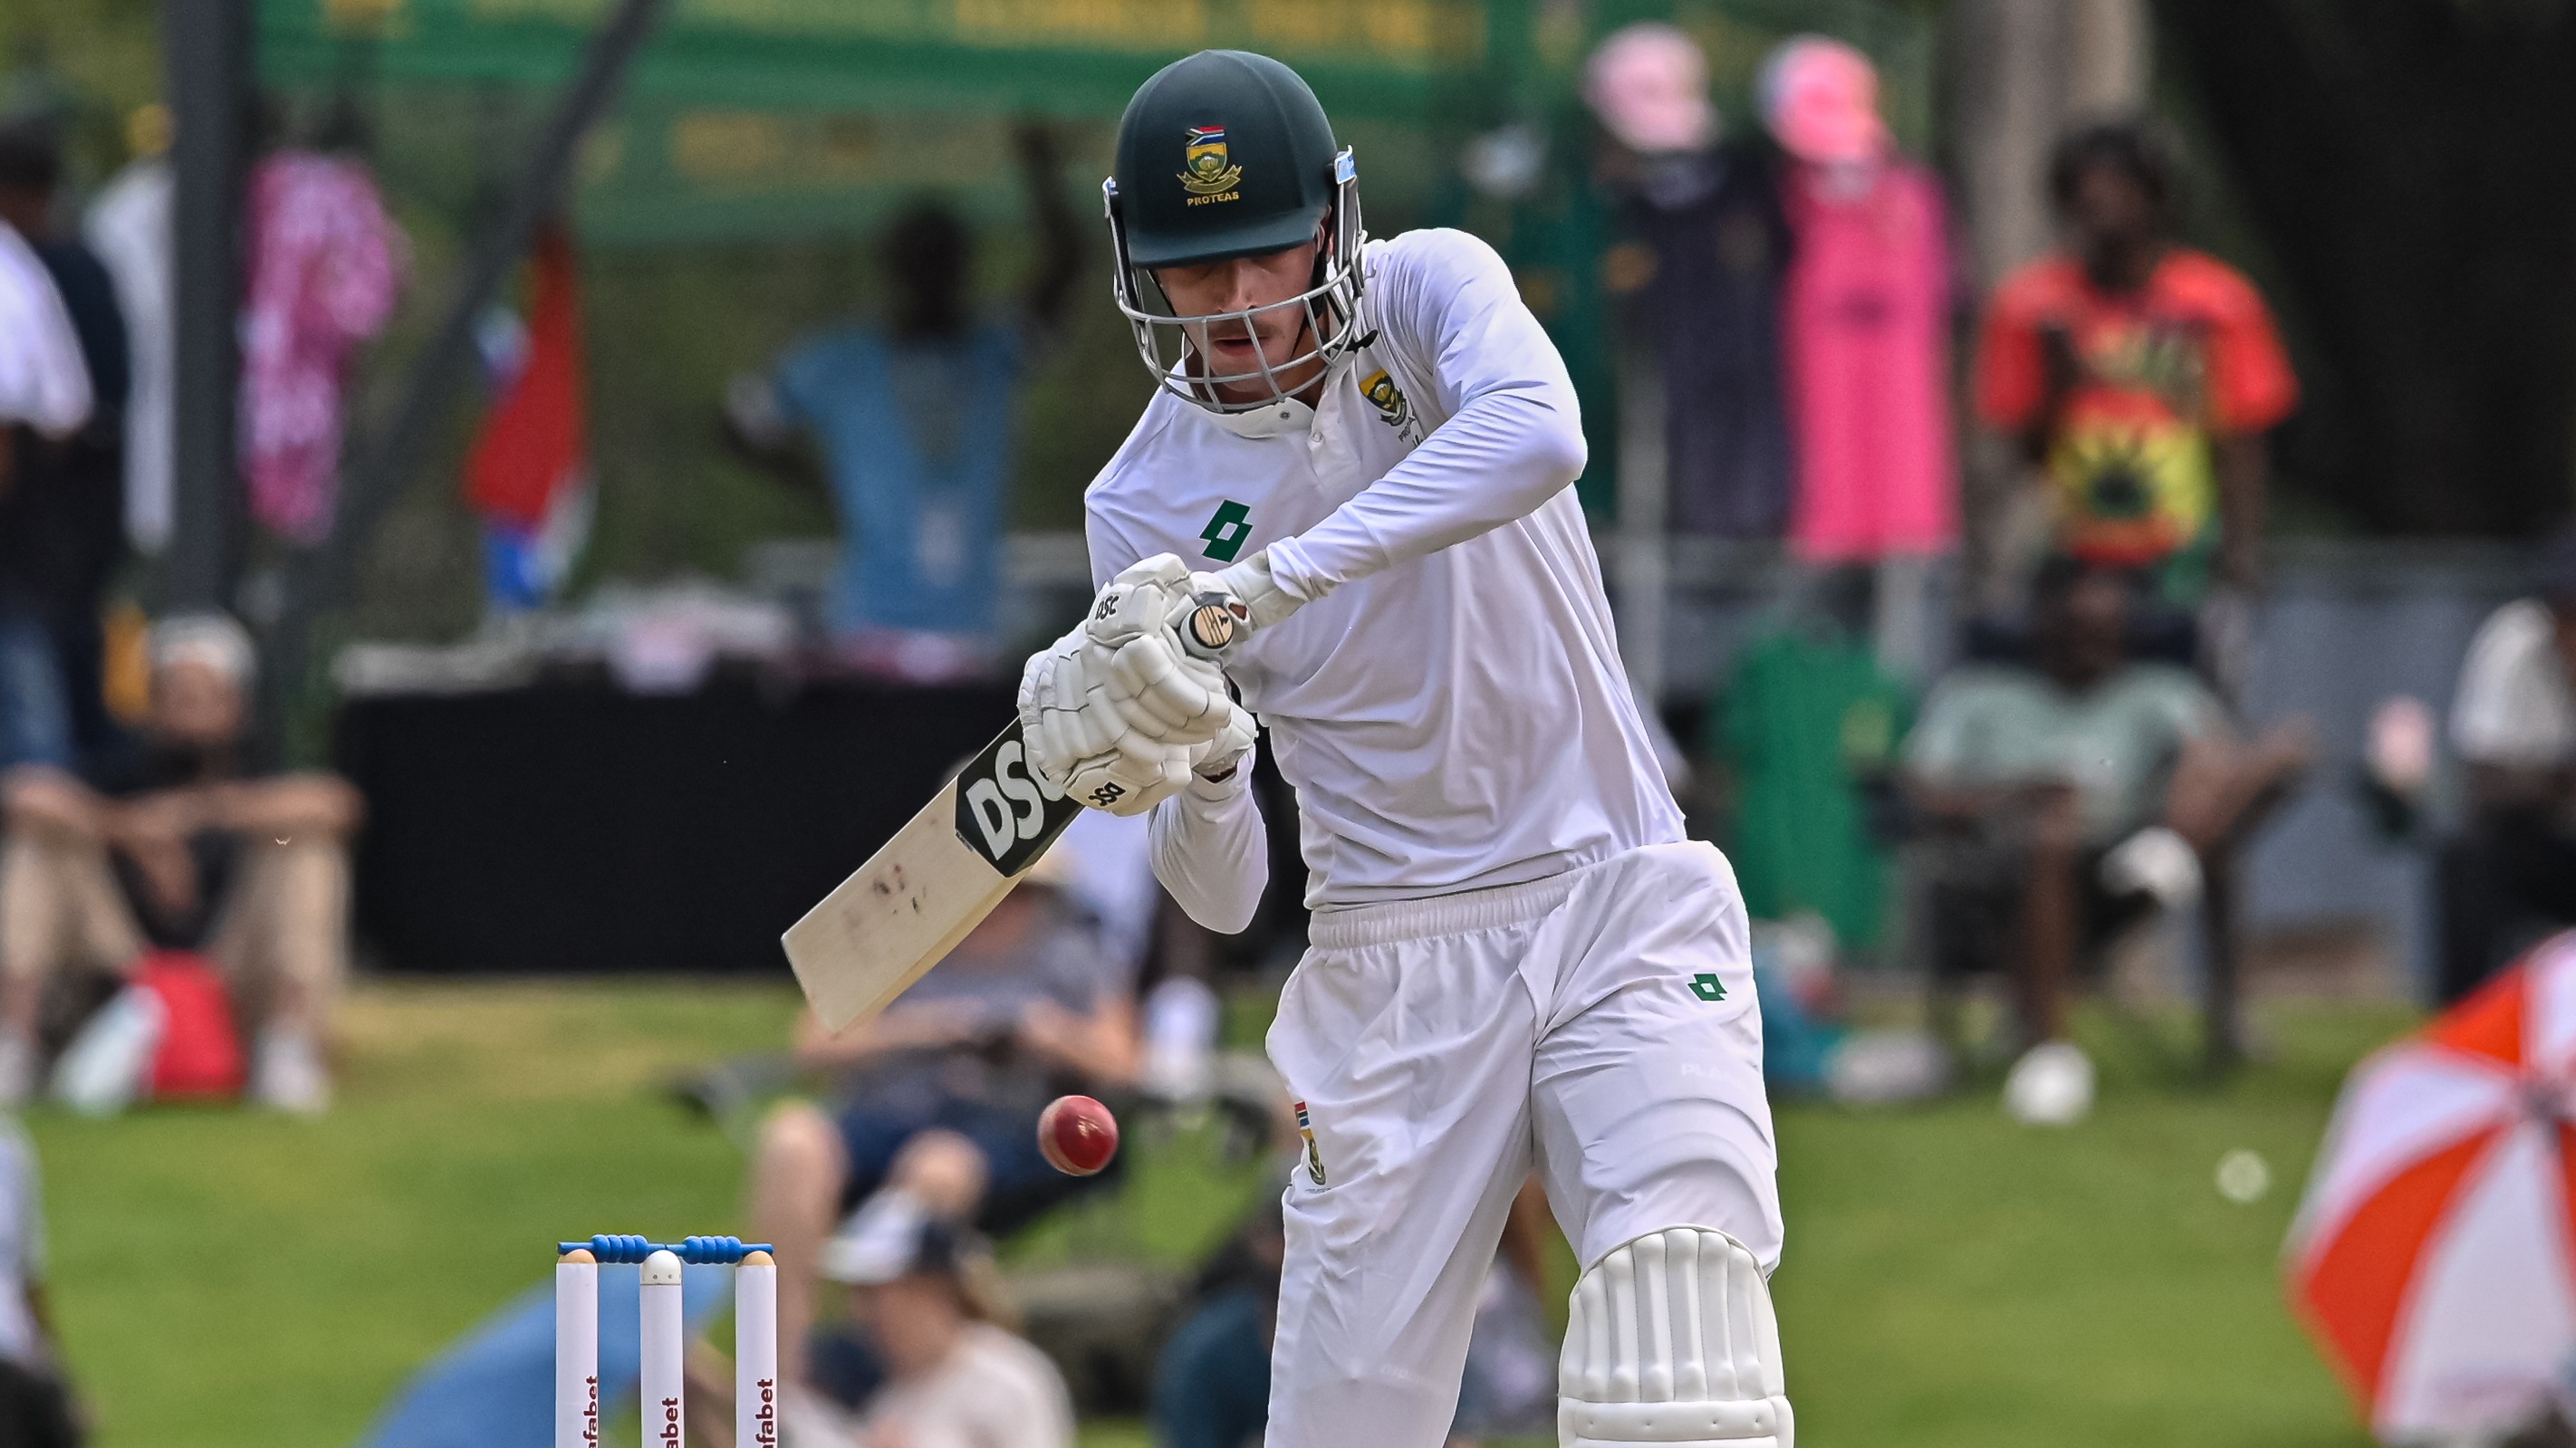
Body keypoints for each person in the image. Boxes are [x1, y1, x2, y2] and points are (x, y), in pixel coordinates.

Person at [1016, 49, 1785, 1447]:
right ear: (1141, 265)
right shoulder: (1141, 504)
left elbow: (1540, 435)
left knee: (1685, 1352)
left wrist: (1275, 580)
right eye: (1196, 273)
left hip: (1614, 886)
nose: (1239, 306)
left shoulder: (1430, 291)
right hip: (1388, 970)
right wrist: (1201, 754)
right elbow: (1223, 897)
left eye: (1266, 256)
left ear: (1333, 222)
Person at [747, 848, 1139, 1414]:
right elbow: (812, 1044)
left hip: (1006, 1127)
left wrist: (1042, 1034)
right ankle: (780, 1383)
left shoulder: (1074, 947)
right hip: (889, 1111)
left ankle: (891, 1379)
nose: (998, 906)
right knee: (791, 1142)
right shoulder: (899, 933)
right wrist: (929, 1030)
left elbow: (1124, 1062)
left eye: (1016, 892)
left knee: (937, 1168)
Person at [1902, 559, 2310, 1095]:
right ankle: (2051, 1054)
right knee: (2052, 832)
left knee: (2283, 747)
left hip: (2123, 870)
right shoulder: (1978, 695)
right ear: (2044, 624)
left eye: (2107, 631)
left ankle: (2176, 850)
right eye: (2078, 630)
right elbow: (1913, 788)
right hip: (2001, 874)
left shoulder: (2156, 689)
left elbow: (2222, 759)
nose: (2092, 646)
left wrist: (2188, 800)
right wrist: (2015, 794)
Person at [726, 124, 1081, 683]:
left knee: (967, 772)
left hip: (977, 634)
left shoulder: (994, 352)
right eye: (922, 263)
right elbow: (738, 426)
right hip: (869, 631)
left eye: (945, 263)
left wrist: (1041, 173)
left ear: (966, 268)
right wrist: (821, 486)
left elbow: (1065, 268)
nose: (934, 279)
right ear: (893, 269)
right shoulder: (840, 362)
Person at [0, 611, 361, 1111]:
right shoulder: (124, 768)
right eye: (173, 693)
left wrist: (196, 814)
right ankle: (13, 1043)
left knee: (299, 850)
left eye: (202, 695)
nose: (187, 709)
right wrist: (129, 832)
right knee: (41, 847)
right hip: (125, 961)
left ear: (235, 703)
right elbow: (24, 796)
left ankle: (287, 1045)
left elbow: (335, 807)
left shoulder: (258, 770)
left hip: (229, 961)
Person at [1975, 122, 2298, 675]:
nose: (2097, 205)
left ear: (2154, 196)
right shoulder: (2032, 307)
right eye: (2082, 191)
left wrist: (2240, 557)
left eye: (2117, 188)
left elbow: (2242, 439)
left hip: (2180, 549)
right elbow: (2023, 453)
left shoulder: (2217, 305)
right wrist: (2056, 386)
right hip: (2075, 552)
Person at [0, 121, 126, 776]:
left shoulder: (21, 270)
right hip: (52, 536)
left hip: (28, 542)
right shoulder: (39, 265)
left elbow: (39, 415)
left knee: (33, 736)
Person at [2435, 532, 2576, 1003]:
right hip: (2539, 843)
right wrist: (2556, 780)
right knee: (2467, 858)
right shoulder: (2514, 640)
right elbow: (2484, 779)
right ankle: (2462, 1026)